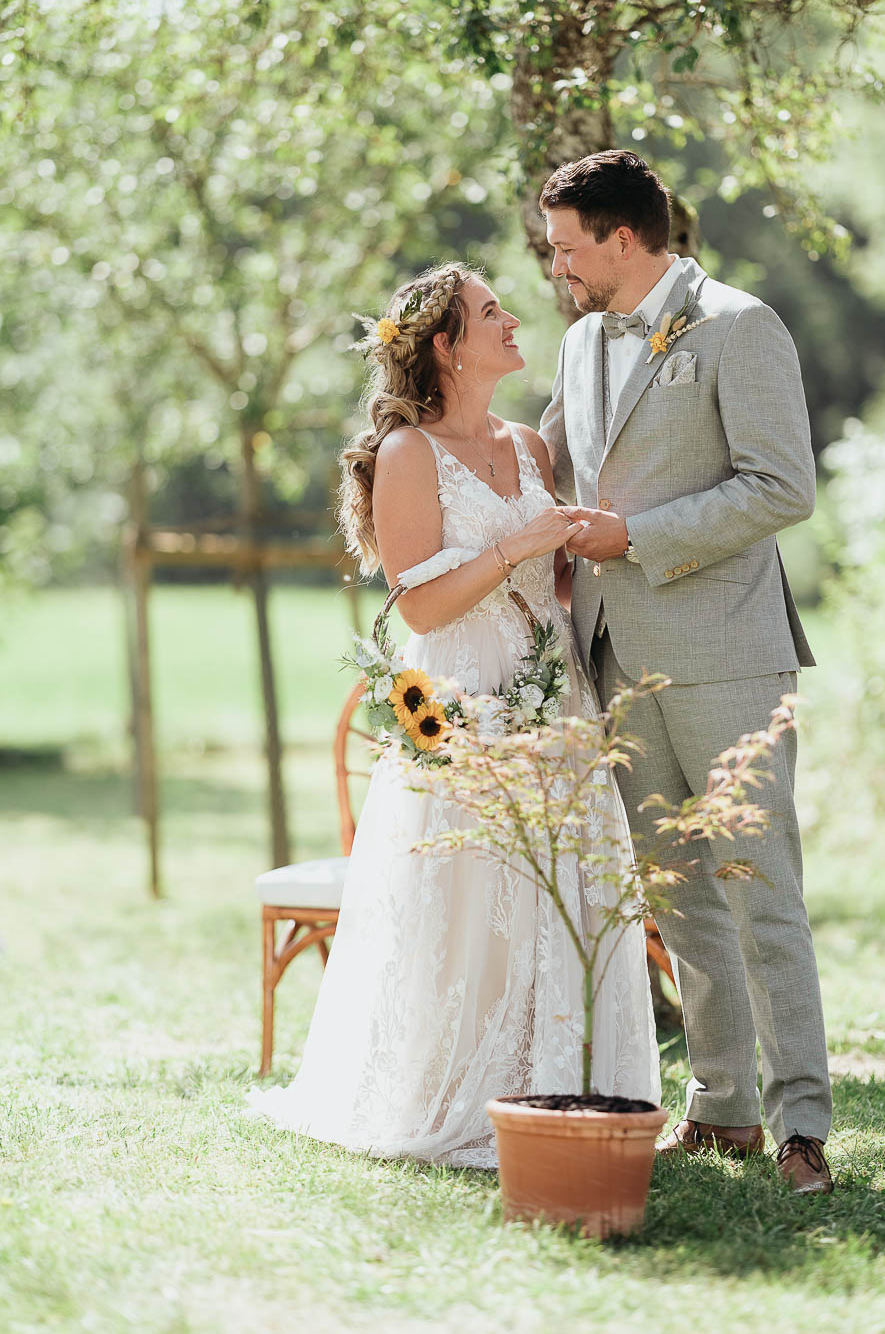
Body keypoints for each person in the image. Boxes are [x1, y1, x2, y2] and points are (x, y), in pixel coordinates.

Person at [246, 261, 660, 1167]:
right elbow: (422, 605)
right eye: (489, 312)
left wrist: (576, 549)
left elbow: (554, 581)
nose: (512, 319)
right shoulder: (407, 455)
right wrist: (520, 540)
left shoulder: (527, 445)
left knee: (561, 887)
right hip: (461, 704)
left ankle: (565, 1081)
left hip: (555, 698)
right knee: (470, 896)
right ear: (446, 346)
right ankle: (458, 1094)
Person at [538, 151, 834, 1194]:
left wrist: (635, 536)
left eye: (569, 247)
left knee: (761, 890)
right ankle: (722, 1110)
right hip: (618, 656)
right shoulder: (578, 343)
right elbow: (558, 468)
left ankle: (806, 1126)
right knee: (681, 899)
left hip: (724, 653)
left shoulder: (739, 326)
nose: (558, 267)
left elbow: (780, 486)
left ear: (624, 238)